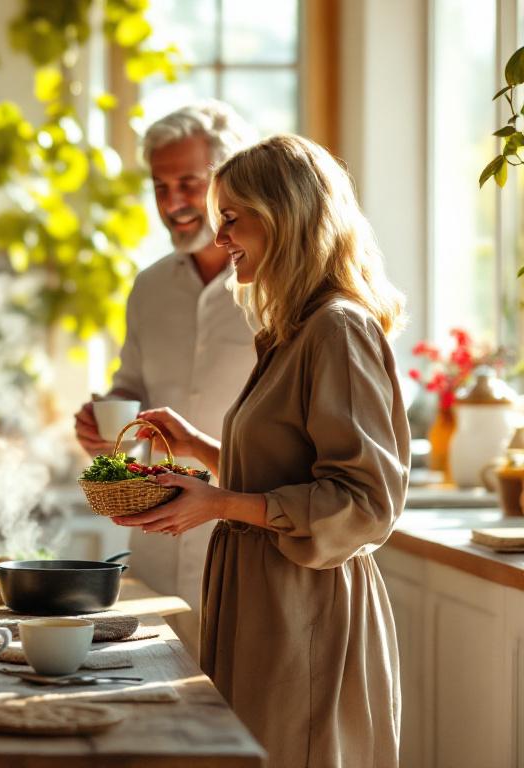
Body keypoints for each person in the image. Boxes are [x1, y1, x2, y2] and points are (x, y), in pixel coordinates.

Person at [117, 133, 408, 766]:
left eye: (231, 219)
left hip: (304, 611)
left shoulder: (337, 328)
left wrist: (219, 503)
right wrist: (199, 448)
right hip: (267, 604)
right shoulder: (291, 330)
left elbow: (364, 505)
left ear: (286, 218)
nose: (220, 239)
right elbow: (287, 471)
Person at [73, 101, 257, 658]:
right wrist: (107, 414)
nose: (172, 202)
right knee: (154, 691)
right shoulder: (149, 287)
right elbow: (132, 385)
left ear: (227, 185)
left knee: (238, 710)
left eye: (187, 183)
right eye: (160, 185)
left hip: (246, 534)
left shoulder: (274, 284)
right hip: (155, 538)